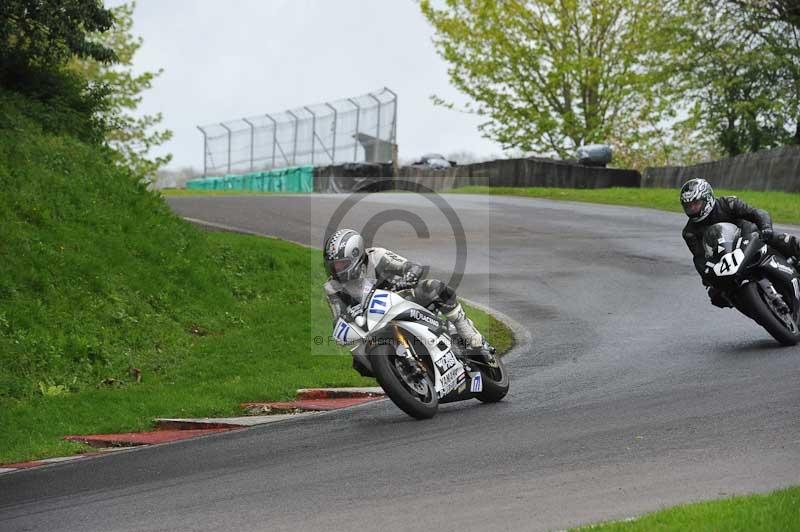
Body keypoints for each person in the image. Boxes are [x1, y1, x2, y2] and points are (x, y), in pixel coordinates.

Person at [323, 228, 492, 353]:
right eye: (332, 266)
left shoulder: (377, 256)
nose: (336, 271)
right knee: (359, 357)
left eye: (341, 264)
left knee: (433, 287)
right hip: (372, 322)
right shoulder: (332, 287)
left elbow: (412, 267)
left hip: (400, 299)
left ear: (356, 256)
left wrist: (406, 280)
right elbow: (338, 318)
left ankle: (465, 330)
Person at [680, 178, 800, 307]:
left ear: (707, 199)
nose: (692, 208)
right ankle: (760, 310)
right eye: (688, 206)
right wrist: (707, 277)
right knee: (716, 295)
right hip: (726, 259)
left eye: (695, 203)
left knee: (784, 240)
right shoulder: (689, 232)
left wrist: (766, 227)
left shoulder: (728, 203)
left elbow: (756, 213)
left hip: (751, 239)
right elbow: (700, 257)